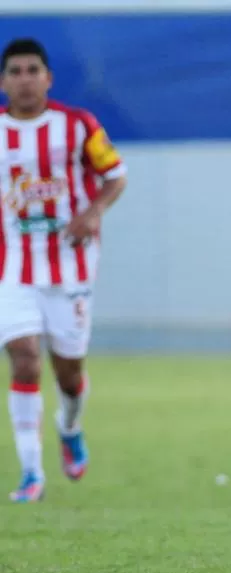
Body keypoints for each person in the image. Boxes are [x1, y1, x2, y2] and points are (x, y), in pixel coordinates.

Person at [1, 38, 128, 503]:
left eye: (33, 69)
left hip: (71, 267)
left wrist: (93, 212)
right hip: (13, 268)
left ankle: (70, 426)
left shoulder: (77, 126)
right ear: (3, 81)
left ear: (48, 78)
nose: (25, 78)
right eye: (15, 71)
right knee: (24, 356)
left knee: (68, 373)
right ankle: (31, 473)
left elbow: (115, 174)